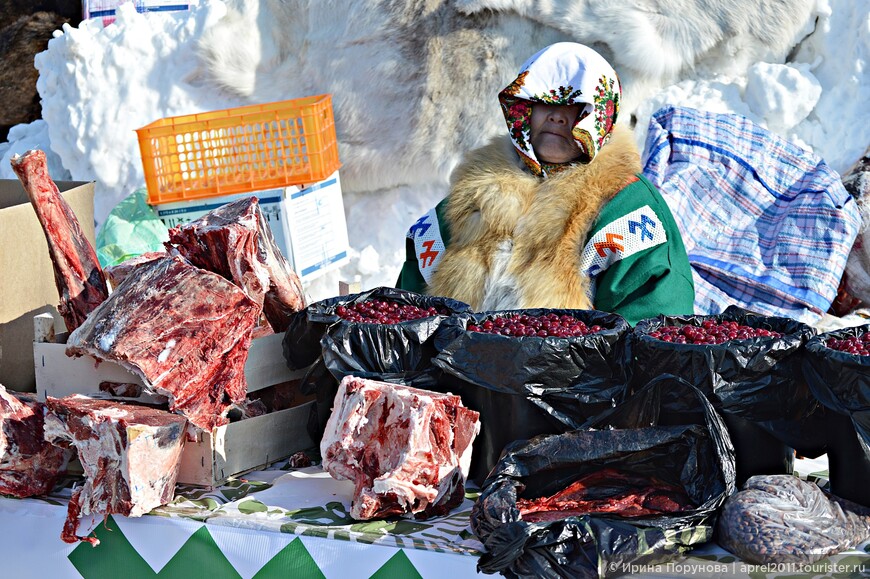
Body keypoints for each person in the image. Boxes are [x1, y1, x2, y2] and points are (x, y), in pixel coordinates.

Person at [396, 42, 694, 325]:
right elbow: (407, 308)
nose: (556, 118)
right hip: (454, 373)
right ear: (523, 109)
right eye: (544, 103)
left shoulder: (627, 209)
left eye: (576, 108)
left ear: (602, 116)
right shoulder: (472, 195)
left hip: (578, 377)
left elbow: (654, 328)